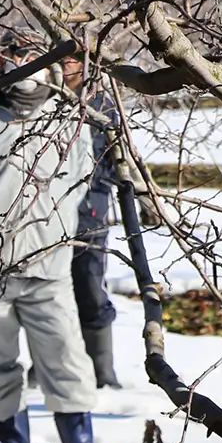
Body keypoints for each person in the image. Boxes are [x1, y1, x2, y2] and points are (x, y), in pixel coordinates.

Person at [0, 31, 120, 443]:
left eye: (32, 53)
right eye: (14, 53)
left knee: (65, 357)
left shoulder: (65, 119)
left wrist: (55, 232)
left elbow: (78, 183)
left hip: (47, 265)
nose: (22, 62)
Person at [64, 54, 122, 390]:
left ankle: (102, 370)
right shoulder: (45, 101)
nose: (69, 67)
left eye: (75, 60)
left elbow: (115, 161)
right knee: (49, 291)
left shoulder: (101, 105)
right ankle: (52, 364)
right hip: (48, 213)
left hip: (91, 209)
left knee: (89, 283)